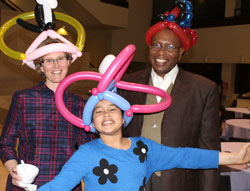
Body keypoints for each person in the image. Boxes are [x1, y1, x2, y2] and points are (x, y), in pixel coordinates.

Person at [36, 98, 250, 191]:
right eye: (99, 111)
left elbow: (185, 156)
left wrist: (234, 158)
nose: (106, 114)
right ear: (92, 123)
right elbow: (59, 186)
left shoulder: (143, 148)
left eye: (112, 109)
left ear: (123, 116)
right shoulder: (86, 153)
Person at [118, 2, 221, 191]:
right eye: (155, 45)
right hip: (133, 178)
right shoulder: (128, 83)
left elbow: (209, 149)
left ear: (181, 52)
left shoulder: (203, 89)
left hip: (178, 181)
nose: (161, 53)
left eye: (170, 47)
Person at [0, 35, 94, 190]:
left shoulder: (80, 104)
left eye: (61, 58)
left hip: (66, 185)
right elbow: (5, 143)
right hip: (28, 185)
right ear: (41, 67)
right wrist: (15, 171)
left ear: (69, 61)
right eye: (49, 60)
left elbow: (88, 149)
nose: (56, 65)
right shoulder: (23, 99)